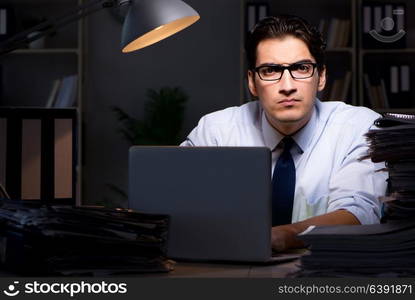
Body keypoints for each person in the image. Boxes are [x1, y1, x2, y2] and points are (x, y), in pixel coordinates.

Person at [180, 15, 387, 252]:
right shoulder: (215, 131)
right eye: (270, 70)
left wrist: (282, 236)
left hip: (322, 276)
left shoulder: (359, 128)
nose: (287, 85)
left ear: (321, 77)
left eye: (301, 68)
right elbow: (176, 202)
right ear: (252, 83)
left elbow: (358, 213)